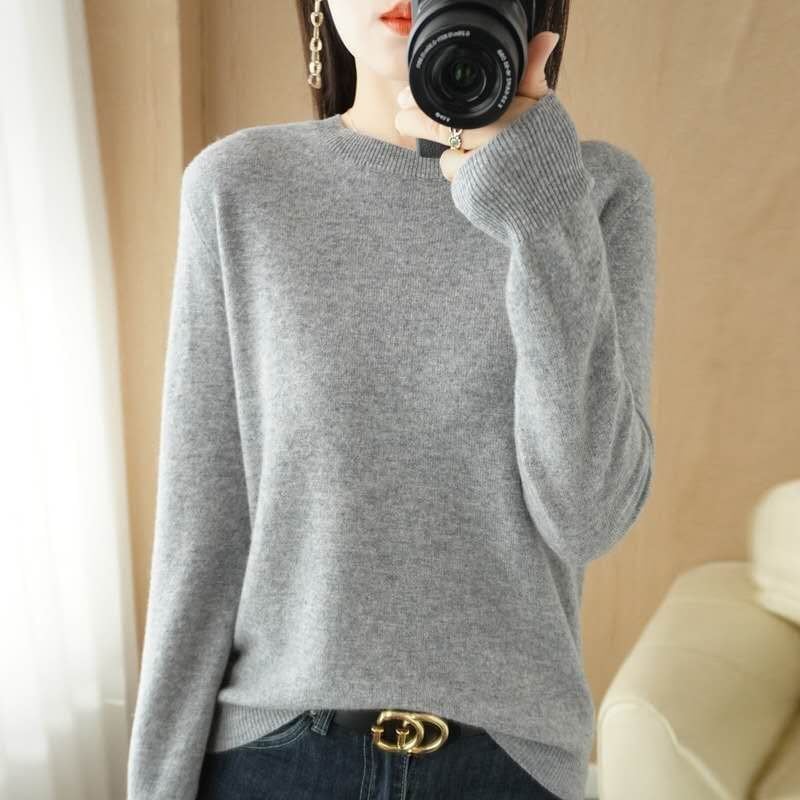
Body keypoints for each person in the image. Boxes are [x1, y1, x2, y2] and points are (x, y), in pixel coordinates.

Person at [126, 1, 657, 799]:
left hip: (507, 768)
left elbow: (588, 514)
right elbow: (200, 539)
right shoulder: (240, 186)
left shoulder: (596, 193)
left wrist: (540, 212)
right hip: (274, 763)